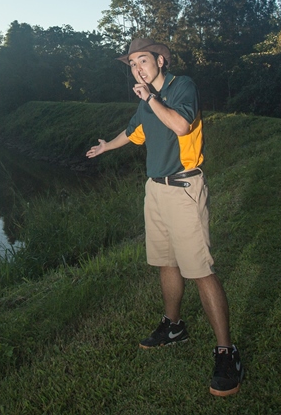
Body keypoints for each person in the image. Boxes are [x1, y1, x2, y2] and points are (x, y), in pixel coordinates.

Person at [85, 36, 244, 397]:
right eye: (132, 64)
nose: (137, 68)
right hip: (155, 190)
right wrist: (106, 146)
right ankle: (173, 326)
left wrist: (151, 98)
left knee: (200, 270)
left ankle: (226, 352)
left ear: (160, 60)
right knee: (166, 263)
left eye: (143, 60)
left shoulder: (181, 87)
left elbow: (182, 126)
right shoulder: (145, 101)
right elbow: (133, 131)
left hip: (184, 189)